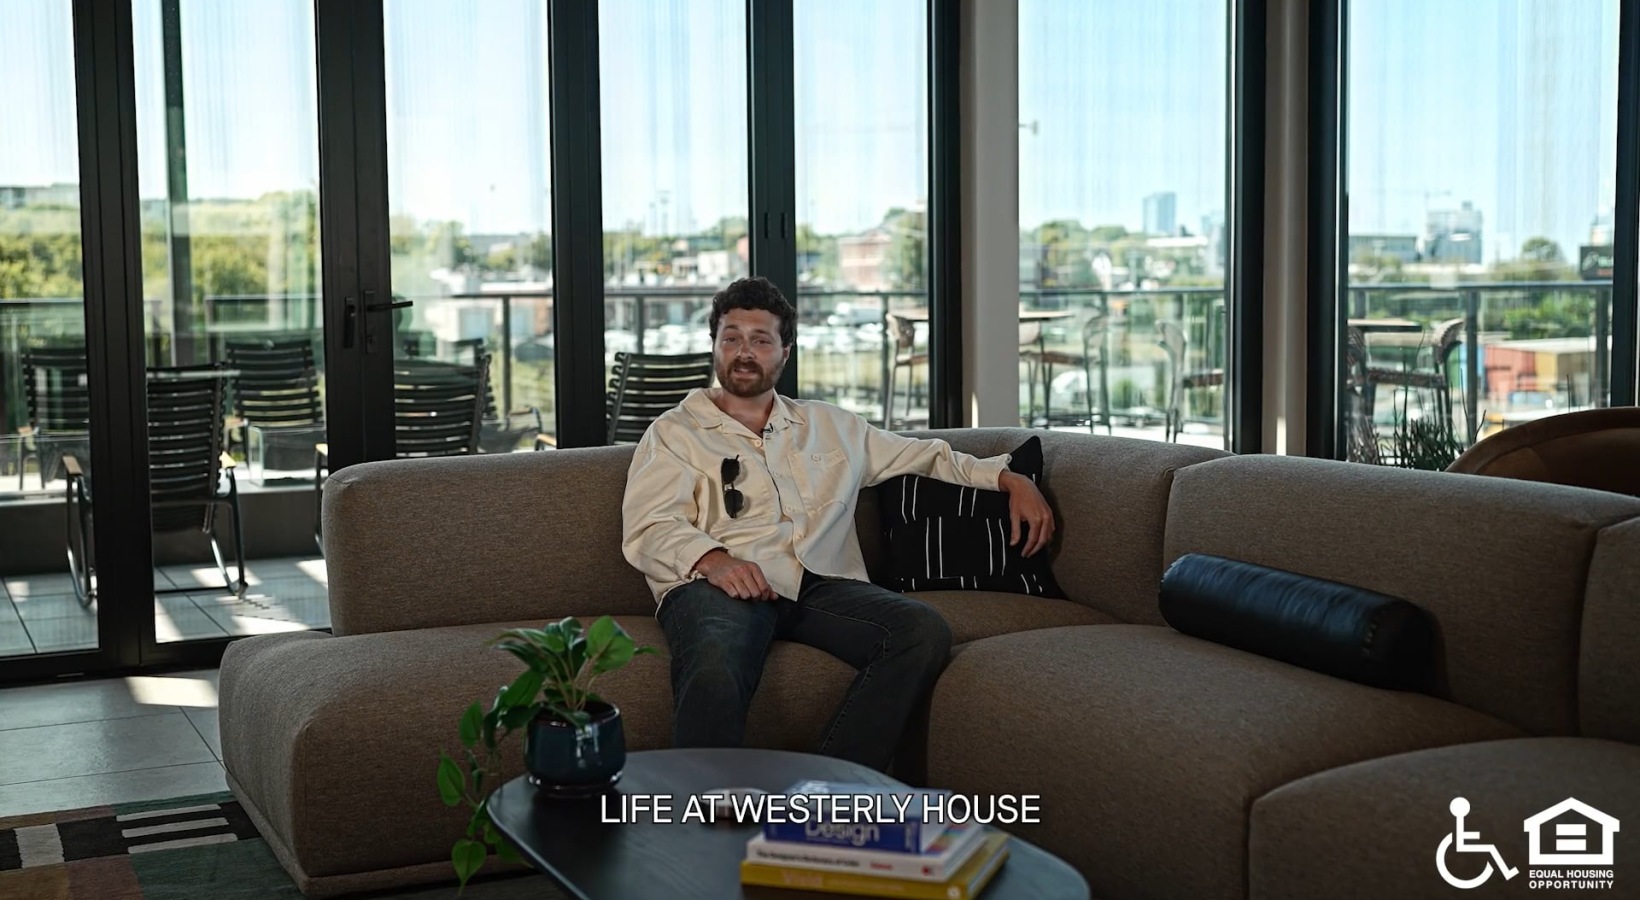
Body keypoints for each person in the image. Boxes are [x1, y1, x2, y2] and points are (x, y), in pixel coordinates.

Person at [621, 276, 1056, 771]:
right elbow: (649, 524)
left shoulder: (832, 426)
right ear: (715, 346)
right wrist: (713, 560)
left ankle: (831, 789)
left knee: (920, 630)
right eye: (732, 338)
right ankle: (702, 814)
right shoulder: (674, 432)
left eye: (761, 340)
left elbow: (926, 456)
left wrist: (1008, 477)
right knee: (717, 662)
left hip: (818, 584)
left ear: (785, 351)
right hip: (716, 585)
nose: (744, 351)